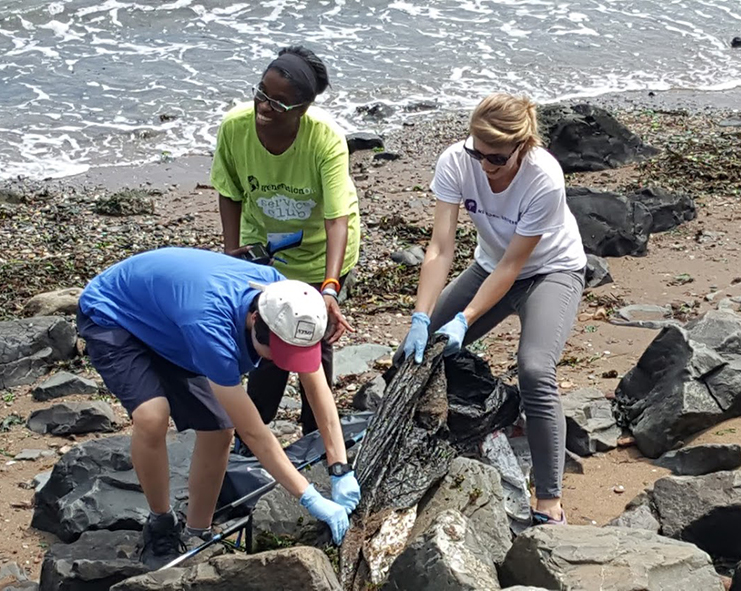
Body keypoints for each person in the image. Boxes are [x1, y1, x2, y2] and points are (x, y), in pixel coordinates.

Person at [77, 247, 361, 568]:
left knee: (219, 429)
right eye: (277, 354)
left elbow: (317, 386)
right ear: (254, 320)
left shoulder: (288, 301)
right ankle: (160, 523)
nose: (284, 364)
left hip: (170, 324)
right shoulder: (210, 327)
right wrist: (310, 498)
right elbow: (254, 432)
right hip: (115, 316)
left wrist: (340, 469)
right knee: (152, 416)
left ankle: (198, 533)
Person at [400, 93, 586, 525]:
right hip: (488, 265)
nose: (484, 165)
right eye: (477, 152)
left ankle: (549, 500)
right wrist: (422, 317)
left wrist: (466, 321)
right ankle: (413, 452)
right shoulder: (456, 160)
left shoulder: (545, 177)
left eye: (496, 158)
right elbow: (441, 248)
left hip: (550, 271)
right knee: (415, 353)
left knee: (536, 369)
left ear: (522, 146)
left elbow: (513, 267)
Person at [211, 45, 360, 436]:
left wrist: (329, 287)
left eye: (280, 101)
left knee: (312, 335)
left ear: (303, 108)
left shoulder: (325, 140)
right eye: (261, 92)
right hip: (264, 252)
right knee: (267, 332)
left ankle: (317, 437)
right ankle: (253, 430)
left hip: (320, 253)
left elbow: (336, 219)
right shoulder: (235, 127)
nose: (265, 105)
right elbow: (229, 191)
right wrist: (231, 253)